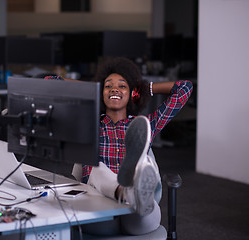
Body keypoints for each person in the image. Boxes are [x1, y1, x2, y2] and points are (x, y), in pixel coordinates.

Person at [46, 57, 193, 236]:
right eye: (108, 86)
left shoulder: (145, 125)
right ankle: (126, 192)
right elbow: (51, 82)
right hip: (99, 208)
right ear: (100, 92)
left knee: (140, 203)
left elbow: (185, 88)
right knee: (97, 170)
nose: (114, 88)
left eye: (122, 86)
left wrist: (146, 89)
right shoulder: (88, 125)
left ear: (132, 93)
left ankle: (135, 193)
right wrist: (93, 88)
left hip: (138, 215)